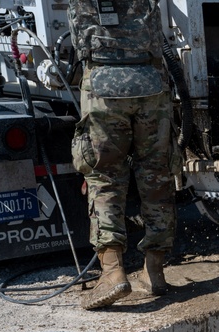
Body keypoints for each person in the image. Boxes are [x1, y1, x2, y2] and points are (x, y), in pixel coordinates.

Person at [69, 0, 179, 310]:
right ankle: (154, 271)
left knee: (104, 177)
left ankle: (113, 272)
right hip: (151, 82)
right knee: (156, 173)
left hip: (103, 84)